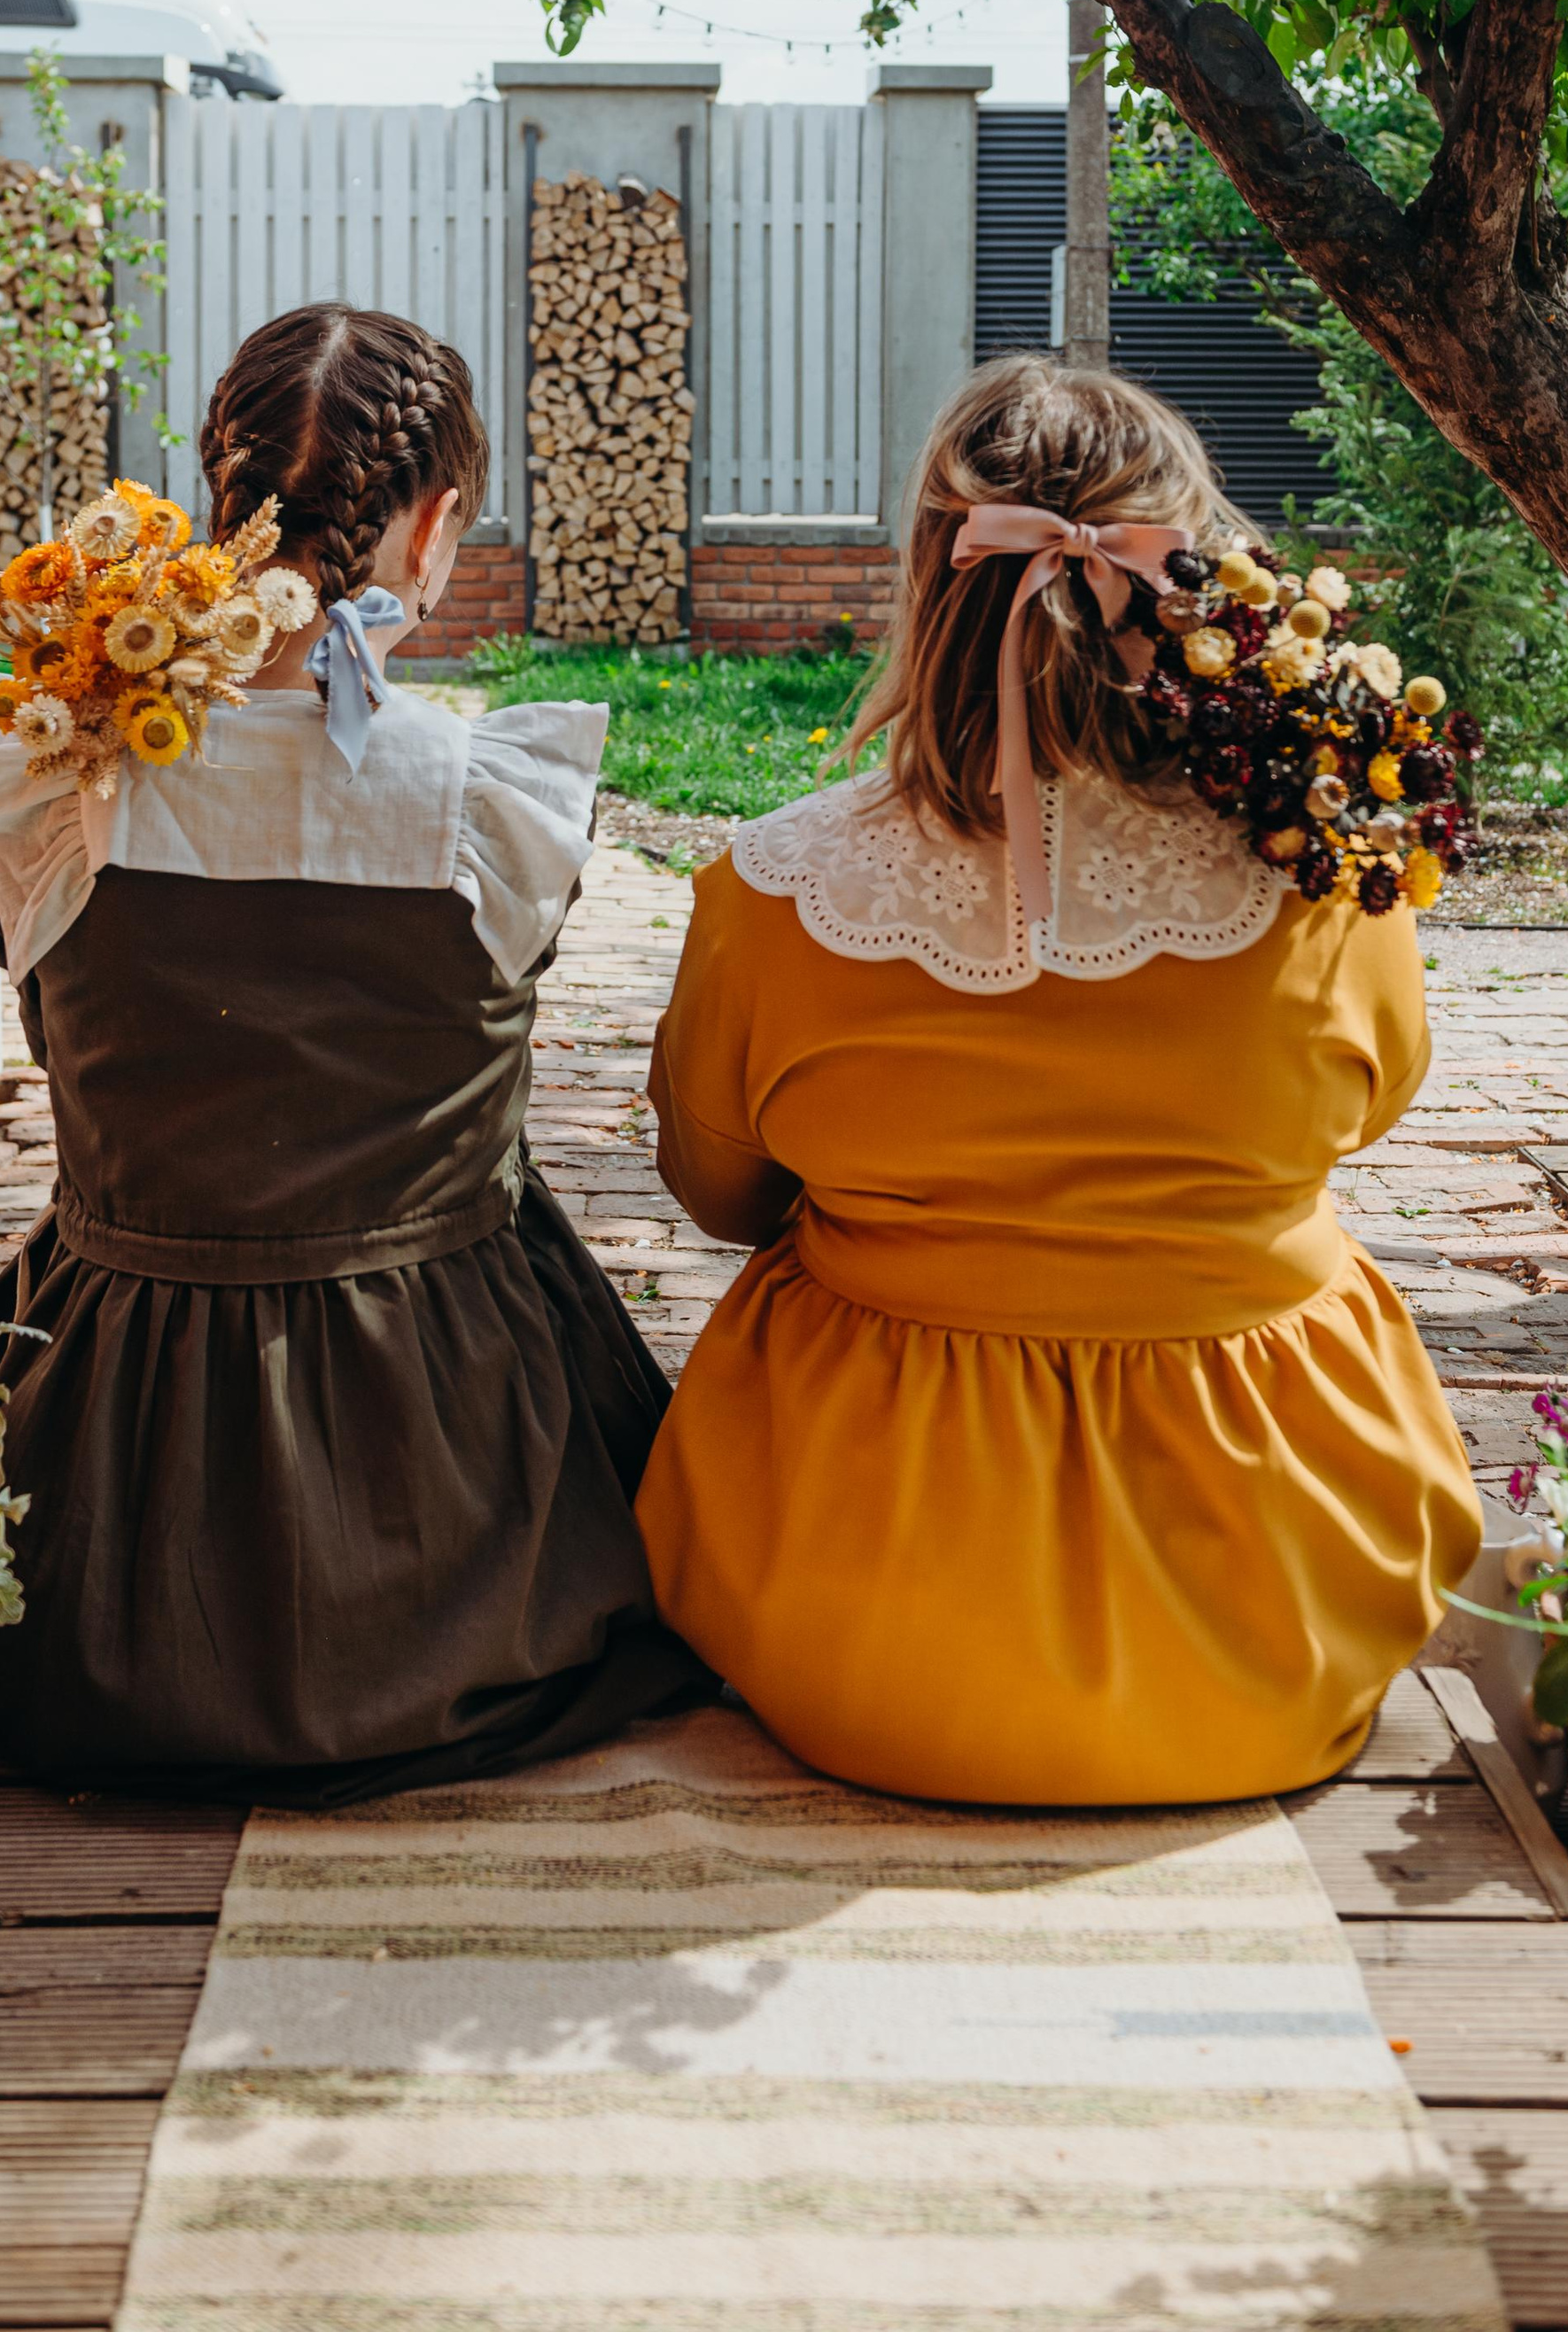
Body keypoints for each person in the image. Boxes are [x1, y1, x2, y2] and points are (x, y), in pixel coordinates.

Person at [634, 357, 1482, 1805]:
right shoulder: (1330, 874)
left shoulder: (780, 891)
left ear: (931, 581)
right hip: (1270, 1622)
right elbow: (1376, 1098)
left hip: (866, 1630)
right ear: (1207, 584)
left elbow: (715, 1193)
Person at [0, 304, 704, 1795]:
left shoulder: (57, 786)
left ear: (220, 502)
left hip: (113, 1486)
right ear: (435, 525)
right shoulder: (494, 798)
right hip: (450, 1468)